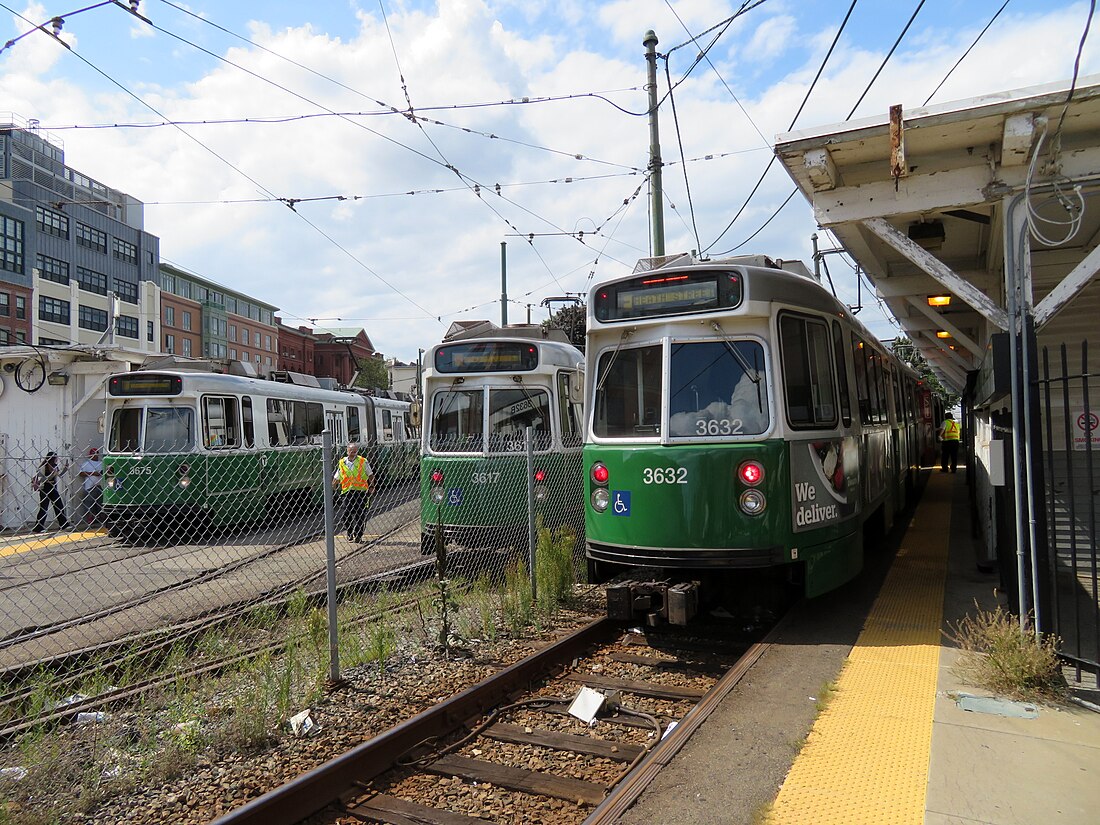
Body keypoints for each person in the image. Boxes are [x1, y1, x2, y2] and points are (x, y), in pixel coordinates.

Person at [332, 441, 374, 543]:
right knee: (345, 514)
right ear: (347, 451)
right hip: (347, 492)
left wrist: (372, 486)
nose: (353, 453)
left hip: (361, 492)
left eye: (355, 451)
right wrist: (333, 484)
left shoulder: (363, 461)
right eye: (351, 451)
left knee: (360, 514)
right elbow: (338, 475)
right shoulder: (342, 462)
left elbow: (370, 475)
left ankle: (358, 534)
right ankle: (350, 531)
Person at [33, 451, 69, 532]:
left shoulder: (55, 466)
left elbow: (59, 475)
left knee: (59, 506)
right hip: (45, 488)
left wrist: (65, 469)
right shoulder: (43, 467)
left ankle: (64, 524)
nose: (56, 459)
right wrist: (51, 474)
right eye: (55, 458)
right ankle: (39, 527)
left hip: (53, 488)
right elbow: (41, 479)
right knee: (44, 508)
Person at [79, 447, 104, 526]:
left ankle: (100, 518)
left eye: (96, 453)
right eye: (93, 453)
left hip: (100, 486)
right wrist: (93, 473)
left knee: (100, 504)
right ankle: (90, 519)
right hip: (90, 487)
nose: (95, 455)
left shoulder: (101, 463)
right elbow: (81, 474)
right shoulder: (86, 463)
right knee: (89, 504)